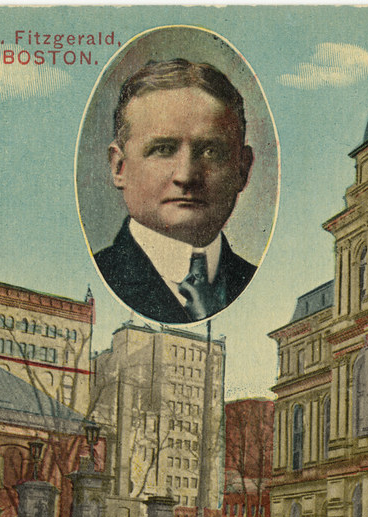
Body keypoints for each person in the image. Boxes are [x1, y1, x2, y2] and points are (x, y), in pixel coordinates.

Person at [95, 58, 257, 323]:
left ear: (242, 168)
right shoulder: (104, 274)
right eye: (163, 149)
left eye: (210, 151)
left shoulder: (253, 282)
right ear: (119, 167)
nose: (186, 176)